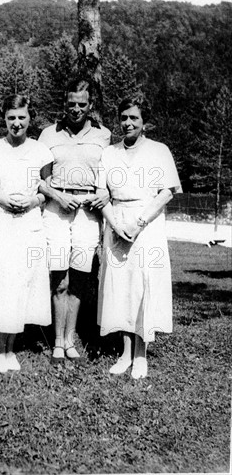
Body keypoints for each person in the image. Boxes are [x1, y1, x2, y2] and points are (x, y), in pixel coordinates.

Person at [97, 96, 182, 379]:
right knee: (121, 287)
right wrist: (115, 224)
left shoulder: (159, 151)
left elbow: (167, 192)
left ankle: (141, 354)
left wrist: (139, 222)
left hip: (148, 224)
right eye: (124, 118)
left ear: (144, 121)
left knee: (143, 285)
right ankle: (124, 352)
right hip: (118, 223)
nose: (128, 123)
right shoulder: (109, 153)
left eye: (134, 117)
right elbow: (102, 195)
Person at [0, 94, 53, 373]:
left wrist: (34, 201)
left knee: (21, 283)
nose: (16, 123)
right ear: (4, 119)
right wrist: (1, 199)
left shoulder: (41, 151)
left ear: (30, 118)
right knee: (0, 282)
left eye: (21, 117)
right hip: (1, 223)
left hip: (29, 224)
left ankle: (12, 347)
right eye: (11, 118)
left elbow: (47, 189)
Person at [38, 78, 111, 364]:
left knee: (79, 278)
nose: (76, 109)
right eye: (71, 104)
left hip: (88, 212)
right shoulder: (48, 135)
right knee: (59, 278)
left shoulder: (104, 136)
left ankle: (70, 340)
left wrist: (104, 195)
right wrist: (56, 194)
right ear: (64, 103)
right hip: (56, 211)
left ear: (91, 105)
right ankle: (56, 341)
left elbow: (111, 175)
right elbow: (39, 179)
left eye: (82, 104)